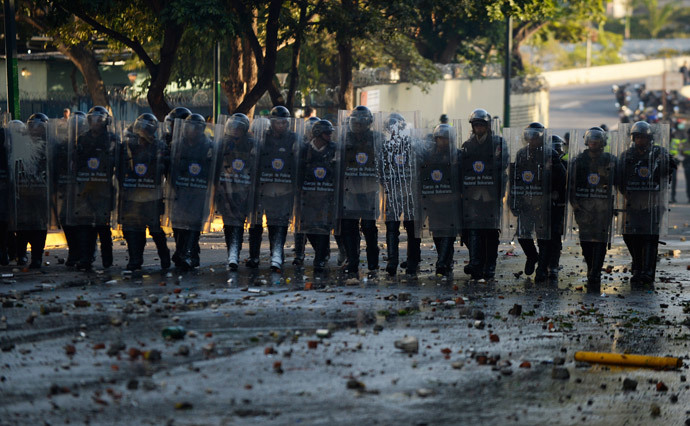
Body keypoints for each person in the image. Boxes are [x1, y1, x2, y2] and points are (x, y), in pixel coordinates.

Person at [617, 121, 675, 285]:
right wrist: (626, 194)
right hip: (633, 203)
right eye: (637, 137)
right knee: (630, 235)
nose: (640, 140)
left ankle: (648, 271)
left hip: (653, 202)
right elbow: (620, 178)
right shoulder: (627, 156)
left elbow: (667, 172)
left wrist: (664, 163)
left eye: (643, 137)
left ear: (650, 138)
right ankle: (638, 266)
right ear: (633, 138)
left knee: (649, 237)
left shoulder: (659, 153)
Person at [508, 122, 566, 283]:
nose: (532, 140)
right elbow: (515, 179)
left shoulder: (550, 154)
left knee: (544, 238)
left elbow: (562, 178)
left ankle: (542, 269)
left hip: (544, 205)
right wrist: (513, 200)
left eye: (535, 137)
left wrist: (551, 178)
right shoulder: (521, 154)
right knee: (523, 236)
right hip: (526, 203)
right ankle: (532, 257)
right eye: (529, 137)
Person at [460, 109, 509, 281]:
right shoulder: (468, 144)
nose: (478, 128)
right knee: (473, 228)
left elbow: (503, 163)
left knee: (490, 231)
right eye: (476, 125)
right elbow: (463, 166)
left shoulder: (497, 143)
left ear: (487, 126)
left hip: (491, 193)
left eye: (481, 125)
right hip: (473, 192)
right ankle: (476, 262)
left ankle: (490, 266)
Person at [247, 106, 298, 272]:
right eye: (277, 122)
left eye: (284, 122)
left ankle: (277, 255)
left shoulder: (293, 139)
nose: (281, 125)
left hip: (284, 189)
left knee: (279, 224)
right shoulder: (263, 138)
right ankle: (254, 256)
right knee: (256, 223)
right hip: (264, 188)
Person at [118, 113, 170, 271]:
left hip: (151, 195)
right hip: (132, 194)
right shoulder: (128, 145)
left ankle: (164, 255)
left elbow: (164, 167)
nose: (142, 132)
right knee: (132, 228)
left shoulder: (159, 146)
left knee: (154, 228)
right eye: (140, 128)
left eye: (146, 129)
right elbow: (120, 167)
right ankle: (135, 259)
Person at [69, 106, 118, 271]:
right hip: (85, 186)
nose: (96, 122)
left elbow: (116, 162)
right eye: (93, 119)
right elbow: (76, 162)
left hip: (104, 187)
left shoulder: (111, 139)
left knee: (102, 226)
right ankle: (86, 257)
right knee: (85, 225)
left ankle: (107, 259)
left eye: (99, 119)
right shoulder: (82, 139)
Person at [568, 127, 616, 290]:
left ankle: (595, 271)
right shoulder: (579, 160)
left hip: (603, 207)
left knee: (600, 241)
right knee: (586, 241)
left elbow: (618, 181)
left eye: (597, 140)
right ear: (586, 142)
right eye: (591, 140)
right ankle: (591, 267)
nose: (594, 143)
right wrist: (574, 203)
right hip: (584, 206)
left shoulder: (610, 160)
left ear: (603, 142)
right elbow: (572, 184)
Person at [168, 114, 216, 270]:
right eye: (189, 127)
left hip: (199, 189)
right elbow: (172, 168)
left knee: (193, 224)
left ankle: (189, 253)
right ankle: (182, 251)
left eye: (195, 127)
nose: (191, 130)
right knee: (178, 224)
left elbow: (211, 170)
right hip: (181, 189)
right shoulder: (177, 144)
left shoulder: (208, 146)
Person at [338, 106, 380, 275]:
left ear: (368, 123)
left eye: (361, 122)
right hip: (350, 188)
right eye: (355, 121)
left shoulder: (376, 138)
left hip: (369, 188)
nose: (357, 125)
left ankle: (372, 261)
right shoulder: (345, 139)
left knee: (369, 226)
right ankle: (353, 260)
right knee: (349, 226)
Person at [214, 113, 258, 270]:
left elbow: (256, 164)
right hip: (226, 189)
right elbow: (214, 162)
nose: (235, 131)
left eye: (239, 128)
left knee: (239, 222)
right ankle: (231, 254)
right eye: (233, 127)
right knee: (229, 223)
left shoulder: (251, 144)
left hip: (244, 189)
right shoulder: (222, 143)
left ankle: (236, 254)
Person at [294, 119, 339, 272]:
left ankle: (320, 257)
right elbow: (298, 171)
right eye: (327, 133)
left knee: (324, 227)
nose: (330, 136)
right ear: (318, 134)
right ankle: (323, 252)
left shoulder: (334, 148)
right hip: (308, 194)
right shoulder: (305, 149)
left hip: (327, 193)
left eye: (331, 132)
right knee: (308, 227)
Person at [379, 112, 421, 276]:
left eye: (397, 127)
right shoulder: (385, 146)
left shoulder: (412, 144)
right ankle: (392, 260)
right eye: (391, 128)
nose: (394, 131)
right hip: (393, 192)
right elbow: (381, 169)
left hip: (410, 192)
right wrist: (386, 183)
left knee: (411, 227)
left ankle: (413, 260)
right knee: (391, 227)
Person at [7, 115, 51, 268]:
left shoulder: (49, 146)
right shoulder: (22, 144)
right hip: (23, 192)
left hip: (40, 194)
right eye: (32, 125)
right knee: (23, 227)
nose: (35, 129)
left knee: (39, 228)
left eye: (39, 126)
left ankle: (37, 257)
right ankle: (22, 255)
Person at [418, 124, 460, 275]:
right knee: (437, 232)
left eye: (446, 139)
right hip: (434, 200)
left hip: (451, 200)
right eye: (440, 139)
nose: (442, 142)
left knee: (449, 232)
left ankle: (442, 262)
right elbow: (424, 175)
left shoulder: (457, 155)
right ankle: (445, 260)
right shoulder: (429, 156)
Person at [293, 115, 320, 266]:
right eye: (309, 130)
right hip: (302, 189)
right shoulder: (301, 146)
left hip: (319, 190)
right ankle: (299, 253)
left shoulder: (325, 146)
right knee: (300, 223)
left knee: (318, 223)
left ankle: (321, 252)